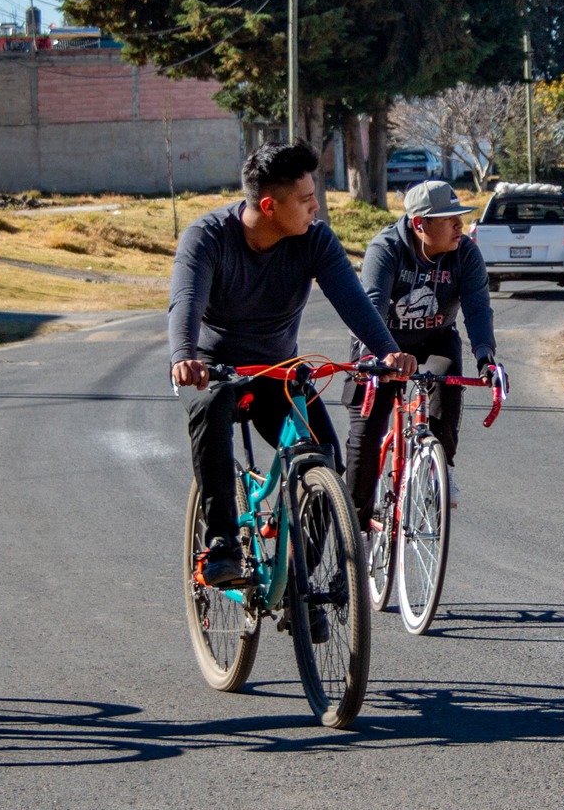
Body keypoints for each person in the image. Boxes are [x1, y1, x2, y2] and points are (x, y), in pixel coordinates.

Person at [168, 141, 417, 589]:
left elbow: (353, 301)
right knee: (211, 411)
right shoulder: (206, 238)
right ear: (268, 205)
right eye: (305, 200)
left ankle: (300, 578)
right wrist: (184, 356)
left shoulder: (314, 239)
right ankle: (222, 543)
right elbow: (186, 301)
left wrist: (386, 349)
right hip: (214, 368)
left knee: (325, 458)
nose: (315, 207)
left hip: (278, 370)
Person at [343, 180, 506, 526]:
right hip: (381, 342)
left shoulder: (465, 252)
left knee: (447, 382)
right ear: (420, 224)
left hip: (434, 340)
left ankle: (440, 465)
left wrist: (486, 358)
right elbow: (371, 306)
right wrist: (378, 356)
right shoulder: (385, 249)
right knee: (365, 434)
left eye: (460, 217)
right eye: (449, 219)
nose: (460, 225)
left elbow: (477, 309)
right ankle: (356, 532)